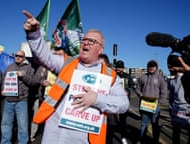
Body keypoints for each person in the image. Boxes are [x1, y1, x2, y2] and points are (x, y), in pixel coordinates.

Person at [22, 10, 129, 144]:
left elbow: (123, 104)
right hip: (54, 134)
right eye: (84, 39)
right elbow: (44, 56)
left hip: (83, 139)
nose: (86, 43)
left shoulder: (110, 75)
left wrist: (96, 99)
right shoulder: (67, 63)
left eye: (92, 41)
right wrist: (34, 34)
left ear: (100, 49)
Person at [0, 50, 35, 144]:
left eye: (20, 56)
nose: (17, 57)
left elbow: (32, 82)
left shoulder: (29, 68)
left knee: (22, 126)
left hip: (21, 101)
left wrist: (23, 76)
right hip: (8, 100)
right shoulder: (9, 67)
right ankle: (5, 142)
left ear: (24, 57)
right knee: (6, 125)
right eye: (16, 55)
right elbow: (4, 80)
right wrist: (3, 89)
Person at [168, 56, 190, 144]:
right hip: (178, 108)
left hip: (187, 109)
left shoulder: (187, 78)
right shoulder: (172, 81)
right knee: (178, 132)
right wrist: (170, 108)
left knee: (189, 133)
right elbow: (171, 96)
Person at [135, 60, 168, 144]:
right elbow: (137, 88)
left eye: (153, 66)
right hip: (144, 105)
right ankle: (141, 140)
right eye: (149, 66)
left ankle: (155, 141)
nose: (151, 68)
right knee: (143, 124)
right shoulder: (143, 77)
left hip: (155, 106)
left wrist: (159, 103)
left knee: (155, 125)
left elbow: (164, 91)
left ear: (156, 67)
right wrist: (140, 95)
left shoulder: (160, 78)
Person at [167, 70, 190, 144]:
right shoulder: (189, 78)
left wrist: (170, 109)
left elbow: (171, 98)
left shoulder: (172, 81)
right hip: (187, 109)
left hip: (177, 109)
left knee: (176, 133)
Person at [115, 60, 136, 144]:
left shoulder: (128, 76)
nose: (118, 69)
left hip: (124, 100)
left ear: (123, 68)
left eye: (120, 67)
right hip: (113, 100)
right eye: (117, 67)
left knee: (123, 119)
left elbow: (132, 86)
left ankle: (123, 137)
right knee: (112, 120)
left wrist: (128, 91)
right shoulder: (113, 75)